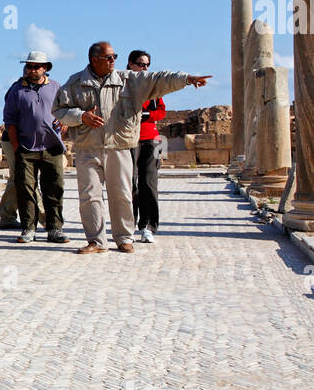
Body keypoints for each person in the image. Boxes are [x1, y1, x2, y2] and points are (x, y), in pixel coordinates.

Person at [54, 42, 209, 254]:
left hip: (119, 147)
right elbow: (59, 109)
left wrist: (185, 79)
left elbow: (159, 78)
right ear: (94, 60)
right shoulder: (74, 84)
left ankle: (124, 237)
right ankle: (96, 241)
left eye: (114, 56)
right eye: (108, 57)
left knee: (122, 194)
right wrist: (81, 116)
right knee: (89, 196)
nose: (113, 60)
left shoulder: (130, 81)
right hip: (87, 148)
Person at [3, 51, 68, 244]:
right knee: (26, 190)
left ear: (45, 68)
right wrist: (16, 147)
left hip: (52, 148)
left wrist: (64, 123)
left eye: (36, 67)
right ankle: (28, 229)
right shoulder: (16, 90)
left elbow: (66, 111)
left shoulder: (56, 87)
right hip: (26, 148)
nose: (31, 70)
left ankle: (55, 229)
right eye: (28, 66)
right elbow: (10, 121)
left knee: (54, 190)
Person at [126, 49, 166, 243]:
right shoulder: (123, 84)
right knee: (130, 183)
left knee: (149, 184)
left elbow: (161, 111)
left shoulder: (153, 85)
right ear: (130, 64)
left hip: (153, 139)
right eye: (141, 64)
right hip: (129, 139)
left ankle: (149, 226)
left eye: (147, 65)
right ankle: (129, 225)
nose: (145, 68)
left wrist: (148, 115)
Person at [0, 125, 42, 230]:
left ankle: (7, 216)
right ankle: (44, 217)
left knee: (19, 178)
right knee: (22, 177)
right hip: (15, 140)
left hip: (28, 140)